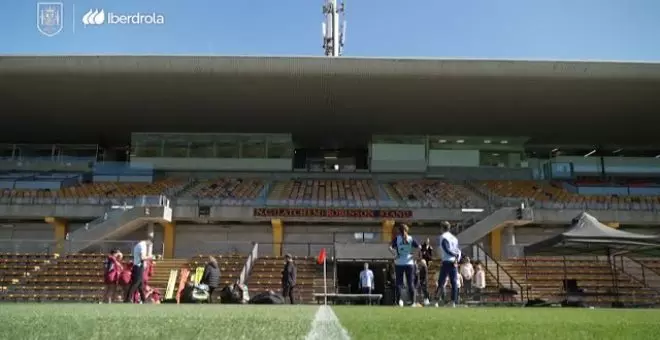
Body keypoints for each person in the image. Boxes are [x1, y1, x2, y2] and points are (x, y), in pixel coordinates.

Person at [389, 223, 420, 307]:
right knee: (410, 283)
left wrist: (395, 255)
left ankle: (399, 301)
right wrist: (414, 256)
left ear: (399, 230)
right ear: (407, 230)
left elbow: (390, 247)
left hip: (399, 263)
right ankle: (413, 302)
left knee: (399, 282)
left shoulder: (397, 239)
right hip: (409, 263)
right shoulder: (410, 238)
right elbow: (419, 247)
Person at [436, 221, 461, 307]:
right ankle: (453, 301)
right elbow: (458, 251)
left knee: (441, 281)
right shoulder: (454, 238)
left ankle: (436, 300)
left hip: (447, 261)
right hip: (454, 262)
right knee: (454, 282)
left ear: (442, 228)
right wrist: (457, 258)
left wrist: (453, 255)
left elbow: (446, 249)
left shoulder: (443, 236)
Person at [124, 232, 154, 303]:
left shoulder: (138, 245)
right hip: (139, 266)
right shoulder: (142, 245)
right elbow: (142, 258)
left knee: (140, 285)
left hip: (137, 266)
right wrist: (150, 257)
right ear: (148, 240)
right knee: (136, 283)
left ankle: (144, 300)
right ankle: (127, 299)